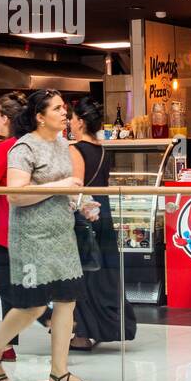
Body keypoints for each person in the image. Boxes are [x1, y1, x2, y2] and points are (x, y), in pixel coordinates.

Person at [0, 89, 96, 381]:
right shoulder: (22, 148)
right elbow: (15, 195)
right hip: (32, 238)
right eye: (56, 109)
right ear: (39, 117)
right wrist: (60, 186)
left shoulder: (61, 144)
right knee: (34, 306)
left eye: (64, 108)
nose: (64, 113)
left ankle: (59, 372)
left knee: (67, 301)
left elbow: (69, 186)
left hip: (61, 235)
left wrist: (83, 201)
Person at [67, 98, 137, 350]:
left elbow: (77, 187)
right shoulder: (104, 149)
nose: (69, 122)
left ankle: (83, 334)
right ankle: (104, 327)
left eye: (72, 118)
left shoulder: (75, 149)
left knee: (83, 275)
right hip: (104, 213)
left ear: (81, 122)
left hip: (85, 216)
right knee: (104, 274)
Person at [0, 92, 27, 361]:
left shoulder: (6, 148)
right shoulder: (35, 143)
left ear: (7, 118)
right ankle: (6, 346)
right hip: (35, 227)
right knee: (23, 284)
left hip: (6, 228)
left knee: (7, 286)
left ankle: (45, 320)